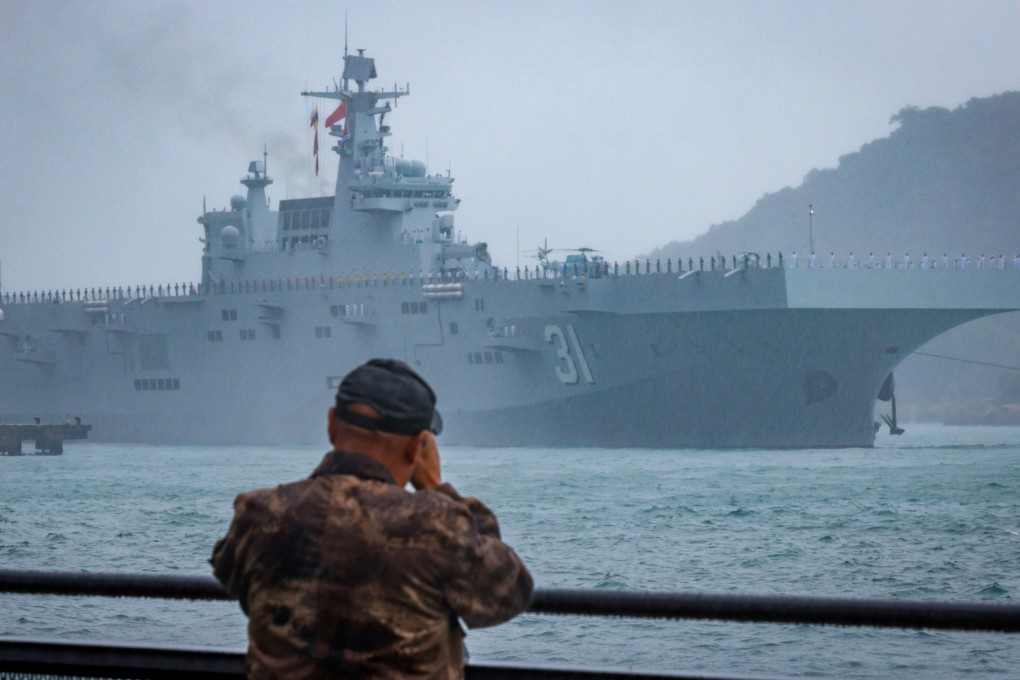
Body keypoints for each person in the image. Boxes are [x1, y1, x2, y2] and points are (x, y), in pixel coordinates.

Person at [211, 358, 533, 679]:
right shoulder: (436, 524)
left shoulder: (259, 515)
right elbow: (509, 592)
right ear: (417, 448)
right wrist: (436, 487)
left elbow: (233, 577)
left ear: (332, 424)